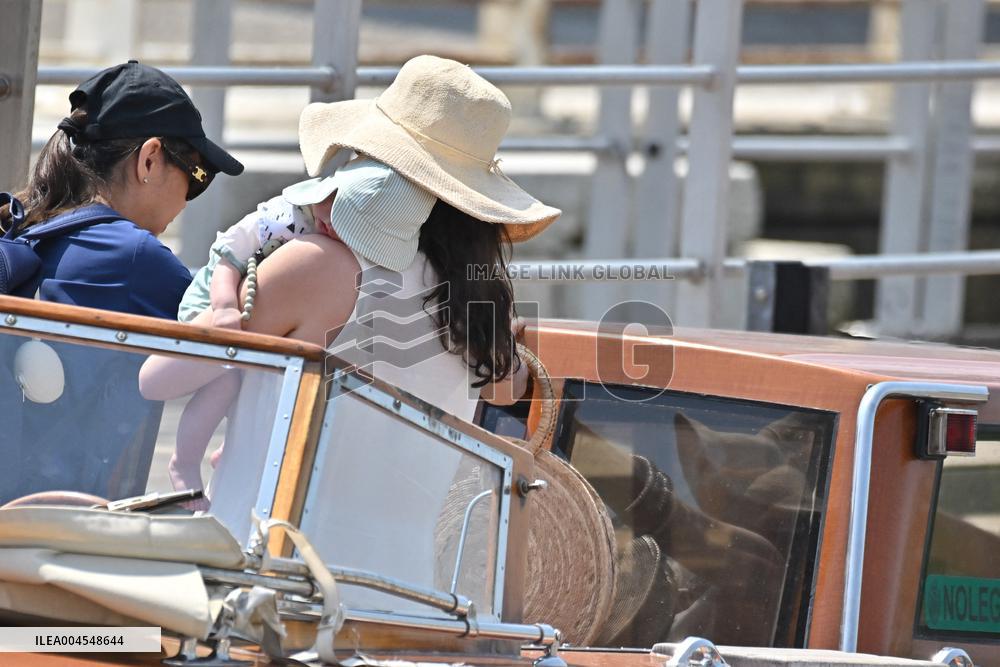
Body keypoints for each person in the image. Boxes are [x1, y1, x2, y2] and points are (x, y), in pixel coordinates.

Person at [138, 56, 561, 537]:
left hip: (277, 576)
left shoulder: (314, 264)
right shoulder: (480, 300)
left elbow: (157, 380)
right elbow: (506, 387)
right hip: (412, 589)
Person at [0, 61, 242, 504]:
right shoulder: (135, 260)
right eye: (196, 175)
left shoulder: (19, 228)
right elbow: (239, 342)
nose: (190, 196)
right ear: (150, 158)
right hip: (61, 529)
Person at [166, 157, 436, 505]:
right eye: (340, 218)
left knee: (255, 383)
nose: (337, 232)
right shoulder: (282, 217)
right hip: (212, 300)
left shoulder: (325, 242)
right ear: (328, 193)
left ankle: (225, 447)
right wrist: (223, 307)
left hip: (264, 307)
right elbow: (226, 259)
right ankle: (184, 461)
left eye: (354, 232)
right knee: (227, 381)